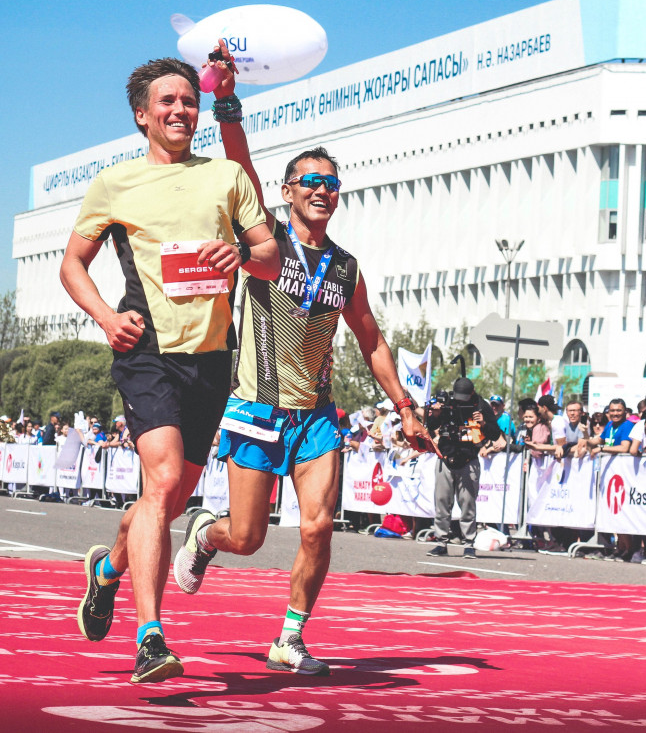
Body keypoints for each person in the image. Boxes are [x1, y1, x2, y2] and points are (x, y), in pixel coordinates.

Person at [172, 41, 436, 677]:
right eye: (310, 182)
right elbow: (240, 165)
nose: (322, 190)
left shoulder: (345, 267)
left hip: (316, 413)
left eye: (331, 183)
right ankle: (206, 532)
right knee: (248, 537)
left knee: (318, 527)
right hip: (256, 407)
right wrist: (226, 101)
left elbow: (372, 340)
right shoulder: (266, 240)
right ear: (289, 191)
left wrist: (405, 406)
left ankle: (289, 637)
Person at [59, 53, 280, 684]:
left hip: (211, 358)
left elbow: (270, 255)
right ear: (142, 115)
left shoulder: (226, 176)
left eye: (189, 101)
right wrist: (106, 317)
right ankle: (150, 638)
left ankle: (107, 569)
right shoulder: (114, 183)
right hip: (146, 350)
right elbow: (72, 265)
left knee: (173, 498)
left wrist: (240, 253)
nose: (181, 110)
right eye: (168, 102)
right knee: (160, 482)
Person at [425, 377, 503, 560]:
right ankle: (441, 542)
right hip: (446, 458)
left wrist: (483, 423)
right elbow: (431, 426)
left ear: (472, 393)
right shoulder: (447, 403)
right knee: (442, 503)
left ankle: (468, 543)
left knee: (468, 504)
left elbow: (495, 434)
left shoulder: (481, 406)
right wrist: (435, 414)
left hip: (468, 460)